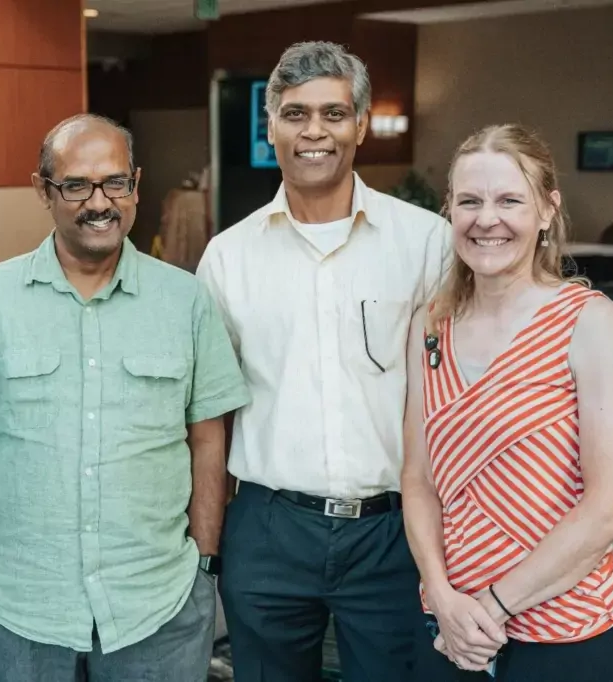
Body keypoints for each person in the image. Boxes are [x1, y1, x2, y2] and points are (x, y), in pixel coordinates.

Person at [0, 113, 249, 681]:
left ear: (136, 185)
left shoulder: (184, 300)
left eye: (115, 182)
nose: (99, 202)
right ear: (43, 189)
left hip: (157, 603)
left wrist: (204, 566)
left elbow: (209, 439)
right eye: (76, 185)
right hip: (28, 602)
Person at [196, 41, 452, 682]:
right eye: (295, 113)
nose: (314, 132)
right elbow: (206, 414)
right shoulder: (228, 258)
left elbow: (459, 393)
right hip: (268, 529)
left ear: (361, 125)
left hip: (395, 532)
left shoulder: (427, 242)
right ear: (272, 126)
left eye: (334, 114)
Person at [402, 123, 613, 681]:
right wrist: (441, 596)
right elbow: (417, 478)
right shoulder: (430, 325)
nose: (487, 219)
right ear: (450, 212)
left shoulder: (590, 322)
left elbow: (608, 510)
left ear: (546, 211)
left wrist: (488, 609)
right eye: (469, 201)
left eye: (510, 199)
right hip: (449, 628)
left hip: (569, 634)